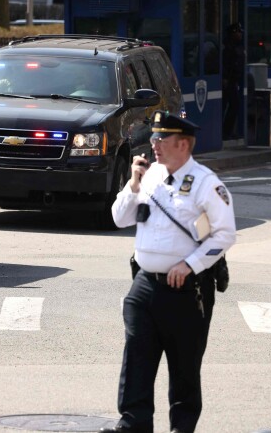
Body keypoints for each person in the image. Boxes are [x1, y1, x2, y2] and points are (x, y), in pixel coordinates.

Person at [102, 111, 236, 433]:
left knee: (184, 365)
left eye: (162, 138)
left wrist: (190, 264)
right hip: (144, 284)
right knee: (137, 358)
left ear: (183, 144)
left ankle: (182, 427)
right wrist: (133, 184)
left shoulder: (206, 183)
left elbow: (224, 235)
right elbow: (119, 219)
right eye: (153, 137)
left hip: (187, 290)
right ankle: (133, 423)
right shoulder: (149, 176)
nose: (154, 144)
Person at [221, 23, 245, 140]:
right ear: (233, 33)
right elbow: (226, 64)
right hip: (228, 81)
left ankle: (227, 131)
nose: (241, 34)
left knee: (233, 105)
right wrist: (225, 78)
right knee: (229, 105)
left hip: (234, 80)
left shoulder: (237, 46)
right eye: (238, 32)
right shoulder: (227, 47)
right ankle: (225, 132)